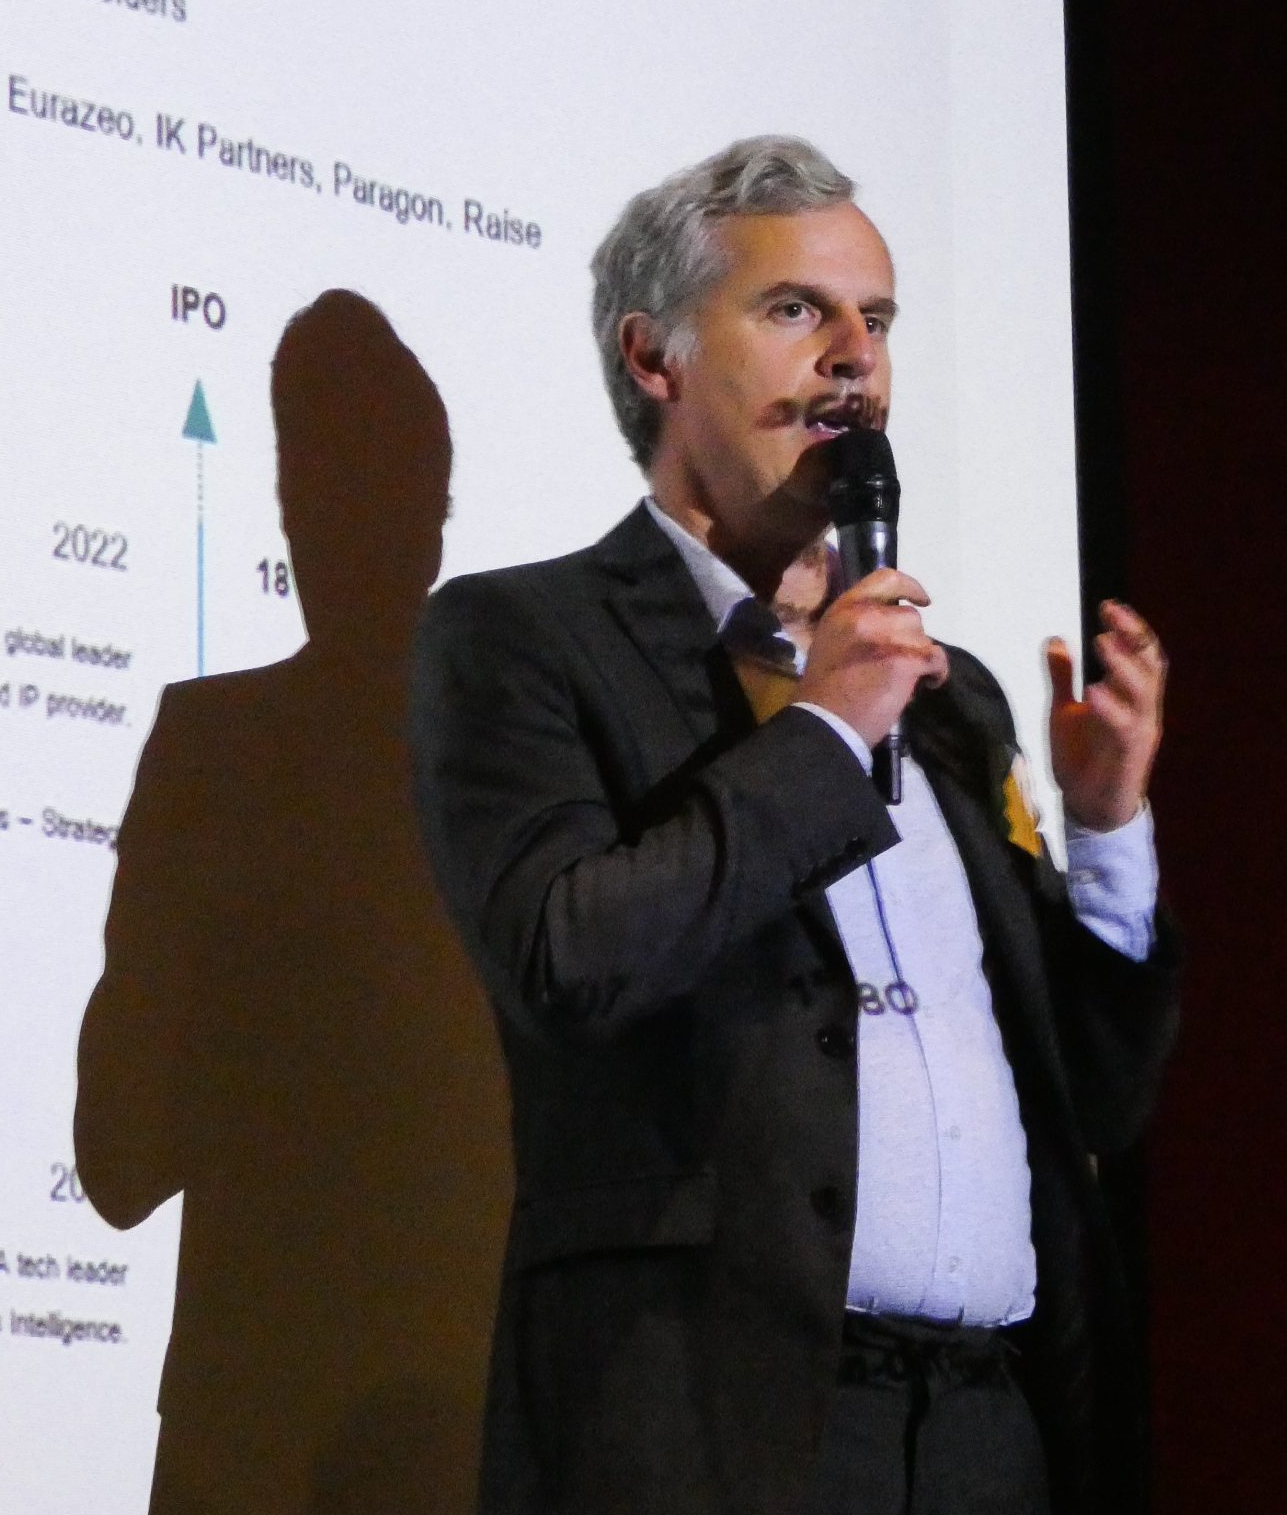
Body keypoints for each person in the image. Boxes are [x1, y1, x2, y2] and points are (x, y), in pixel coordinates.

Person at [409, 135, 1181, 1515]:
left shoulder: (949, 697)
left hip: (991, 1433)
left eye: (875, 320)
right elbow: (566, 958)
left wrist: (1107, 829)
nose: (853, 358)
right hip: (722, 1431)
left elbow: (1099, 1096)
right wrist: (823, 736)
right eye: (794, 309)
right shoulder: (525, 639)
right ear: (653, 356)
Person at [77, 292, 512, 1514]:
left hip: (283, 1424)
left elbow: (124, 1145)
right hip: (410, 1424)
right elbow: (116, 1155)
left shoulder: (215, 755)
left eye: (322, 493)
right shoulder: (525, 767)